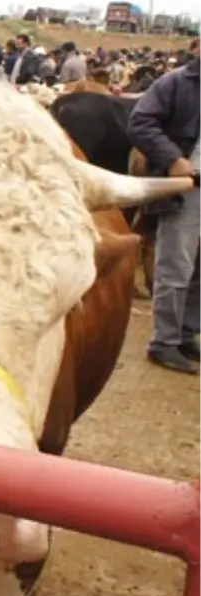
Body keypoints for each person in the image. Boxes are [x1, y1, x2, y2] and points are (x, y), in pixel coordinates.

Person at [126, 38, 201, 374]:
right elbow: (140, 122)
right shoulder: (175, 83)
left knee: (199, 269)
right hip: (187, 188)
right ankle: (164, 342)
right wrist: (173, 159)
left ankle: (186, 332)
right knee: (176, 266)